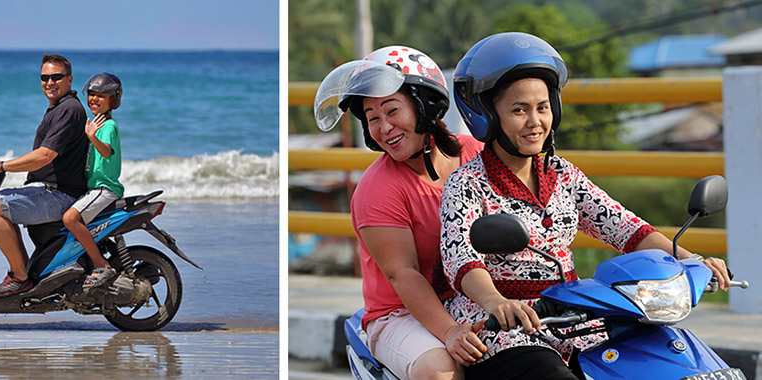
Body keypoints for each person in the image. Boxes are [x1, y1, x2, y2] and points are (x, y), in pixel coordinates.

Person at [439, 32, 732, 380]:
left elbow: (627, 229)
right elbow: (462, 259)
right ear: (487, 114)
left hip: (576, 321)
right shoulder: (468, 184)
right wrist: (495, 302)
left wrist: (692, 260)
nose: (535, 122)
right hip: (505, 331)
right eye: (519, 110)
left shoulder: (563, 174)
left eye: (542, 107)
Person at [314, 46, 487, 380]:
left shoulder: (476, 154)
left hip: (475, 296)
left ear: (425, 106)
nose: (384, 127)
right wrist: (450, 332)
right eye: (373, 118)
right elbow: (403, 274)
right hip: (400, 315)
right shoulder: (377, 188)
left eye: (392, 111)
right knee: (441, 371)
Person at [0, 54, 89, 297]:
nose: (50, 82)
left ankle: (20, 278)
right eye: (44, 78)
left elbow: (45, 156)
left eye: (56, 77)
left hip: (59, 194)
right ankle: (25, 272)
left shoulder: (68, 109)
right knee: (2, 204)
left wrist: (3, 165)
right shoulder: (58, 108)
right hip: (50, 190)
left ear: (69, 79)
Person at [62, 72, 125, 289]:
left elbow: (106, 152)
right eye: (91, 95)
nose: (94, 99)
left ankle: (101, 263)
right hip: (92, 188)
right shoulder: (95, 124)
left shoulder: (108, 126)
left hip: (105, 187)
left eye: (101, 95)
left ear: (112, 100)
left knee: (70, 219)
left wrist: (92, 137)